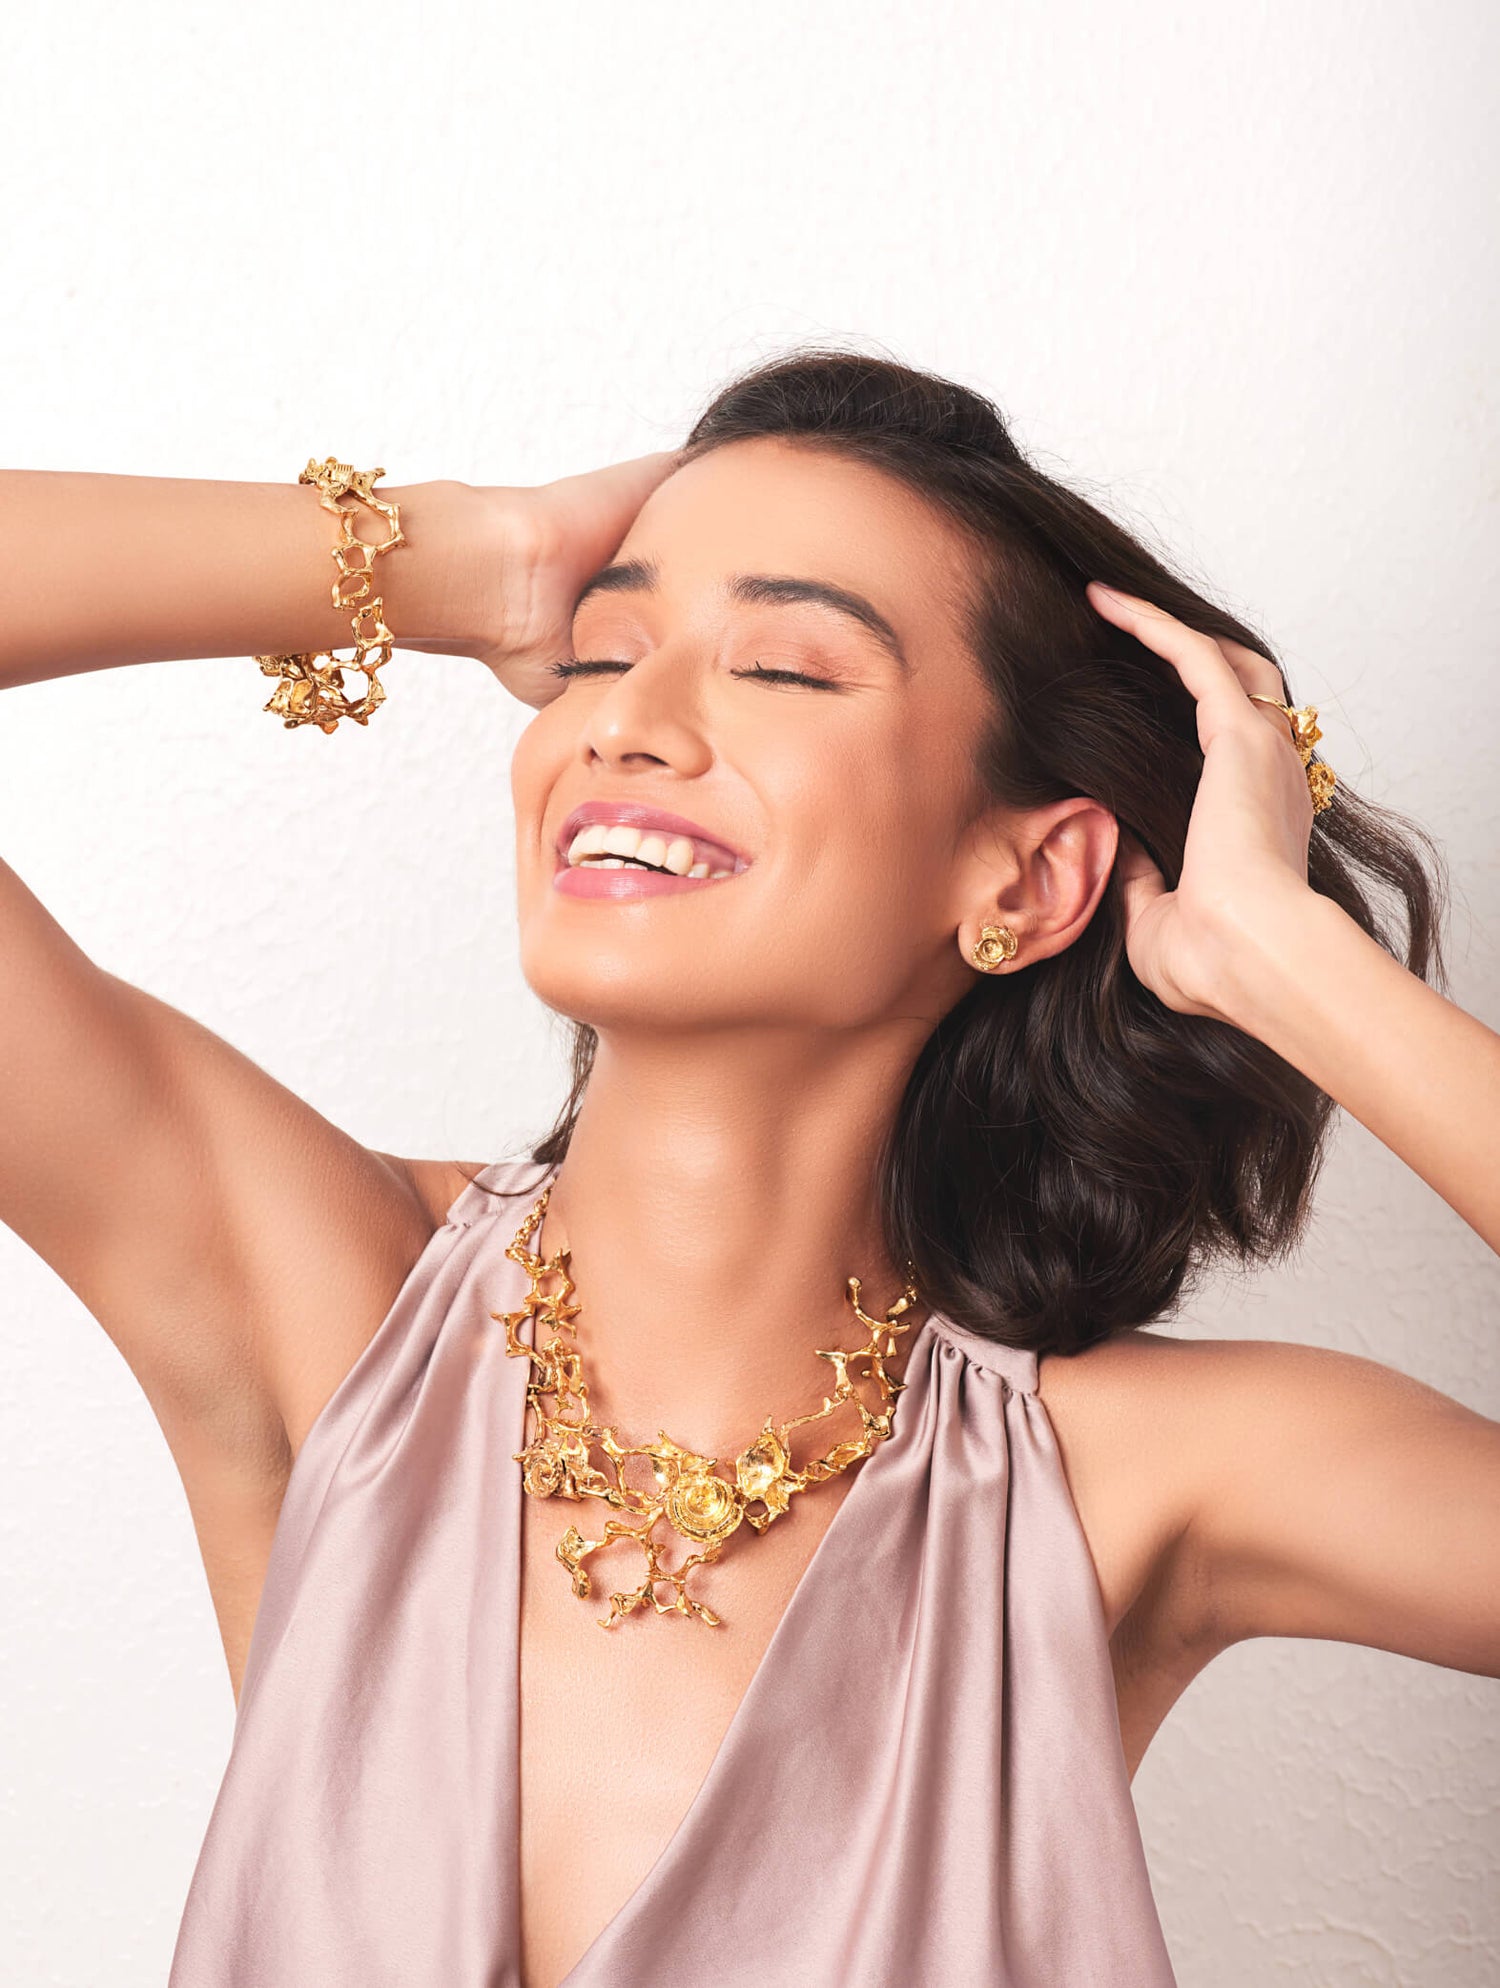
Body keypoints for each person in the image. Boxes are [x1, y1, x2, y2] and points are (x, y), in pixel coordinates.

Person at [2, 347, 1496, 1988]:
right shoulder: (328, 1309)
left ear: (1029, 879)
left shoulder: (1131, 1485)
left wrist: (1285, 961)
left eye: (784, 668)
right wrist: (470, 560)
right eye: (600, 652)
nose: (626, 725)